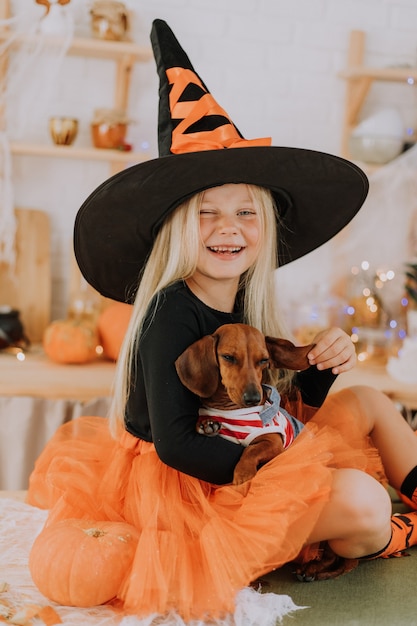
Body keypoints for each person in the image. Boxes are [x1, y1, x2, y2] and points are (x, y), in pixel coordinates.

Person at [27, 19, 417, 625]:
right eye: (205, 213)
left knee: (369, 399)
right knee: (363, 503)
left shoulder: (246, 307)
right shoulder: (169, 312)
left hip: (255, 442)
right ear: (178, 227)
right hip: (204, 483)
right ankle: (390, 530)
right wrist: (284, 469)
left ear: (264, 228)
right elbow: (180, 445)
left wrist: (319, 368)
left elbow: (279, 405)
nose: (227, 227)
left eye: (244, 211)